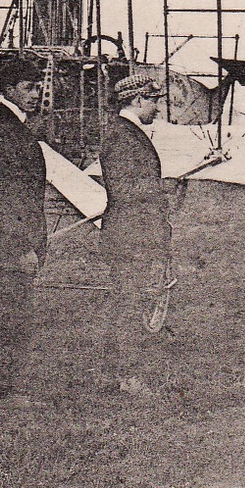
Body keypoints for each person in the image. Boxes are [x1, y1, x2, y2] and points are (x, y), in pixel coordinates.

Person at [0, 57, 48, 405]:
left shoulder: (9, 125)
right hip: (10, 241)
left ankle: (5, 386)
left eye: (38, 86)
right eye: (29, 88)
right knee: (12, 315)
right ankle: (5, 392)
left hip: (11, 238)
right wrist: (21, 247)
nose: (37, 94)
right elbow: (5, 195)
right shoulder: (3, 130)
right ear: (9, 90)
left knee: (13, 311)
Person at [96, 72, 170, 389]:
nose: (157, 108)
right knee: (128, 303)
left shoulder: (126, 133)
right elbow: (129, 192)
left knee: (128, 301)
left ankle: (120, 372)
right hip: (132, 235)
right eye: (153, 101)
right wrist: (159, 197)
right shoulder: (124, 137)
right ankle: (125, 376)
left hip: (132, 232)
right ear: (137, 100)